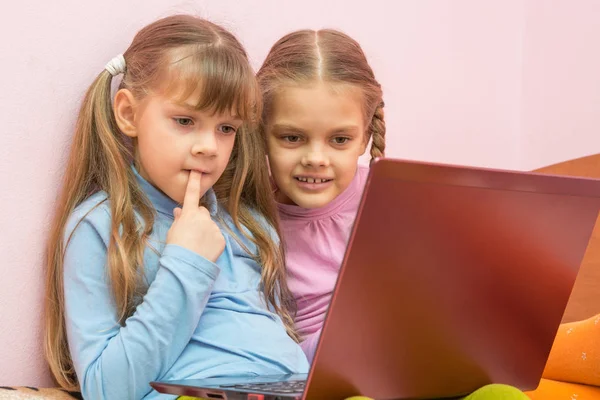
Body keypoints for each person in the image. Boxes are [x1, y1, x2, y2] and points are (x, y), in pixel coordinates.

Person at [44, 15, 308, 400]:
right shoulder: (99, 227)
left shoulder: (249, 227)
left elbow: (275, 347)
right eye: (185, 120)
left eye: (226, 128)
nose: (209, 147)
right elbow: (105, 390)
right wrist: (187, 263)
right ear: (129, 114)